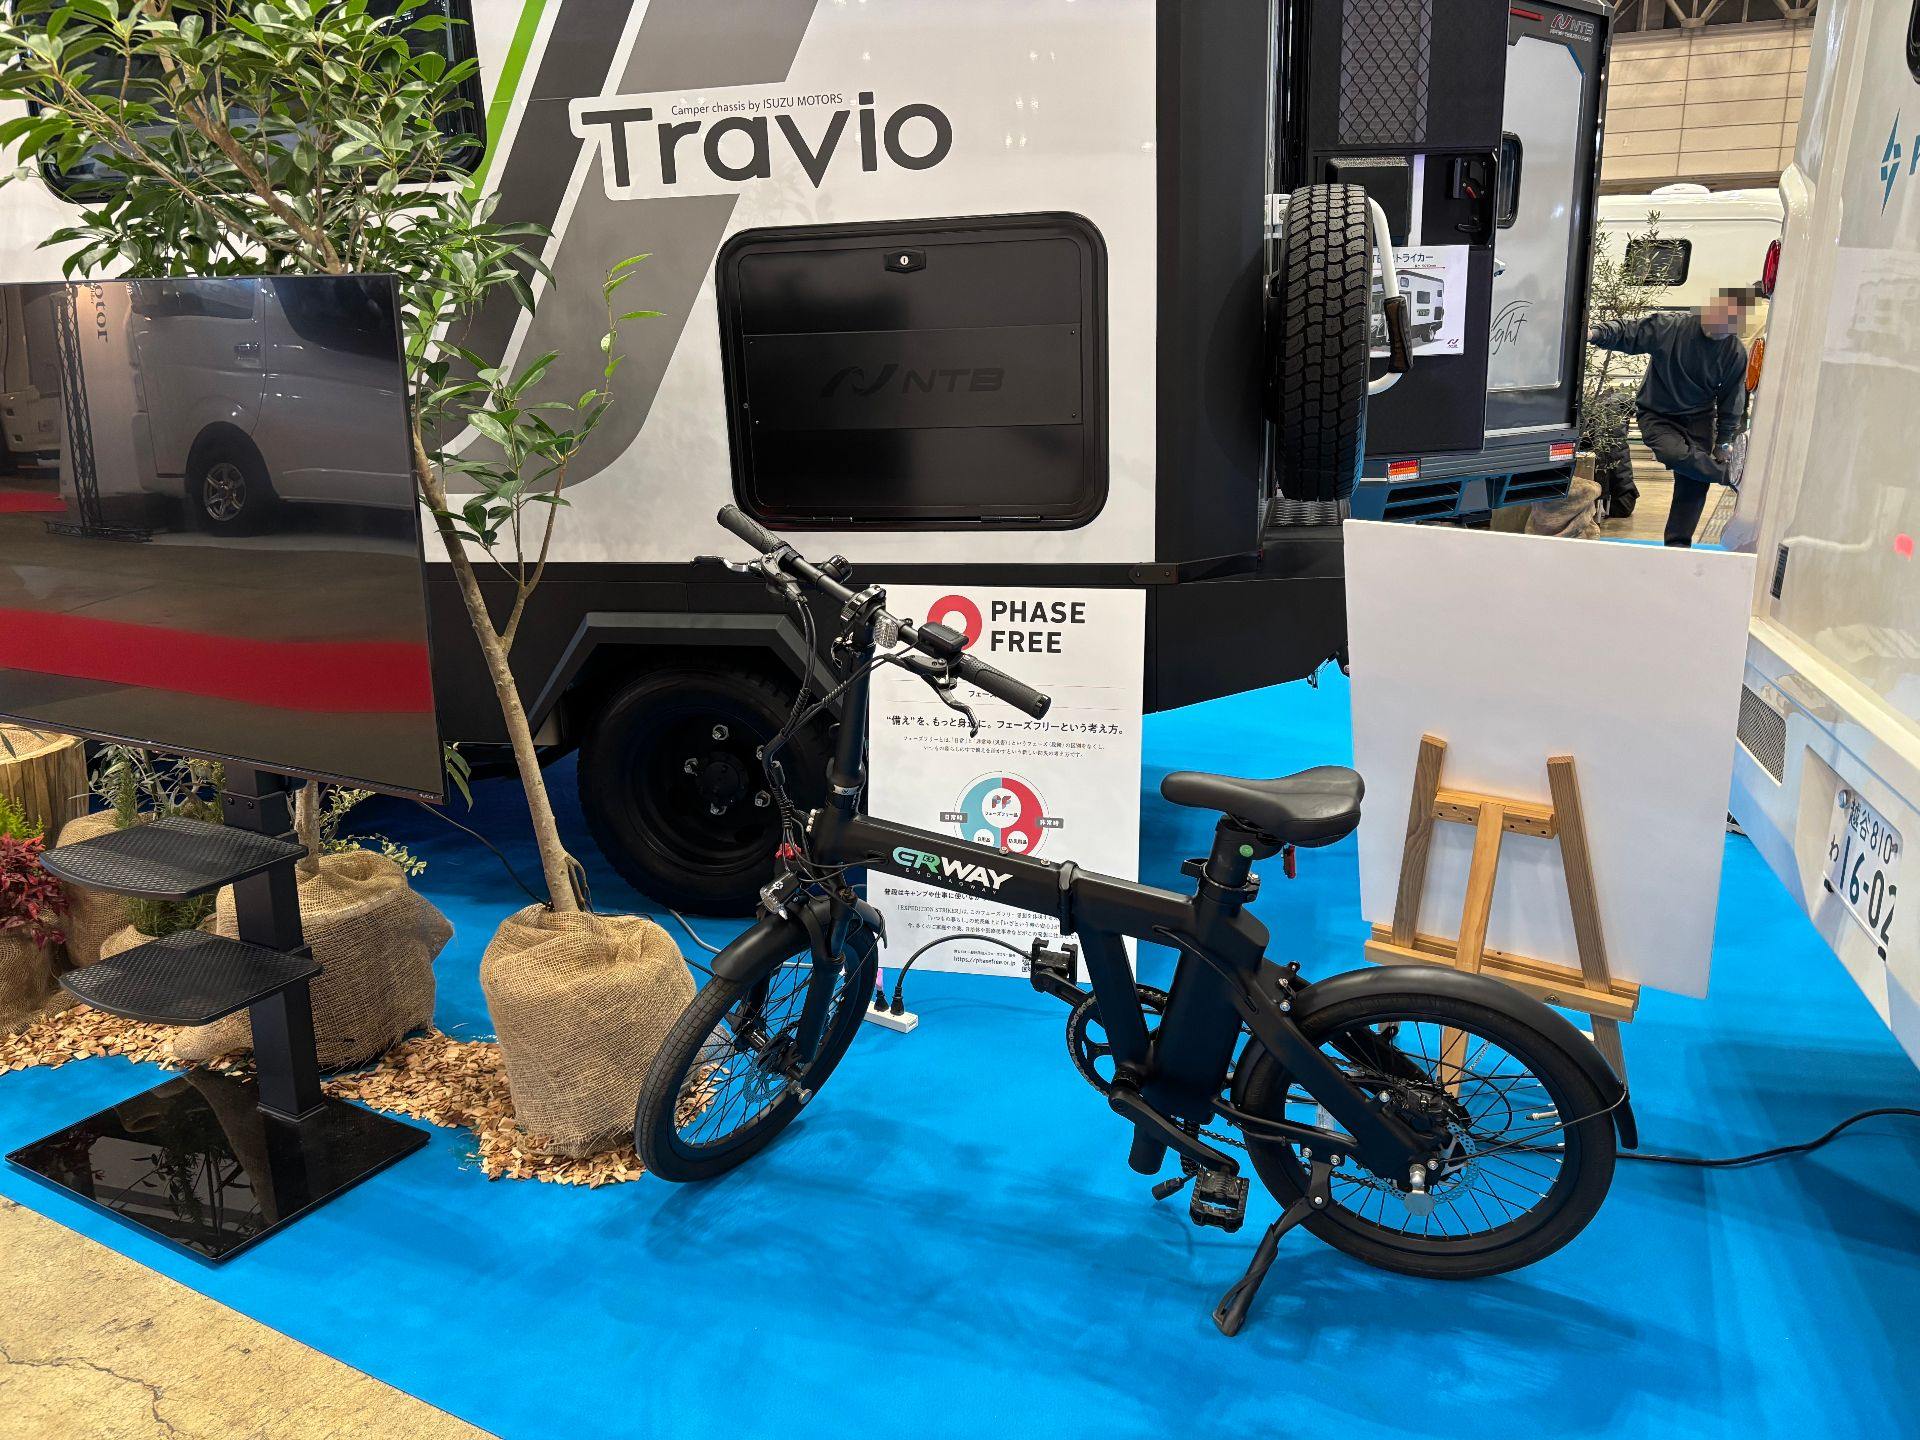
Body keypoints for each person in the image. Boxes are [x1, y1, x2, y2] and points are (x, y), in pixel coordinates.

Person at [1589, 287, 1754, 547]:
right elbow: (1630, 332)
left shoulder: (1734, 352)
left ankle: (1678, 546)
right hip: (1658, 414)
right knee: (1673, 454)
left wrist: (1723, 442)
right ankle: (1729, 476)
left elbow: (1732, 401)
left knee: (1694, 484)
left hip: (1699, 418)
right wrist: (1595, 333)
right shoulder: (1671, 327)